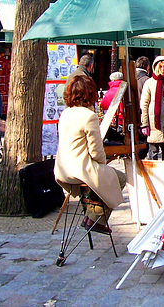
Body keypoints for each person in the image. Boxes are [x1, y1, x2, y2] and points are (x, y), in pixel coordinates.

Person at [55, 75, 126, 234]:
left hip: (62, 168)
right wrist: (102, 164)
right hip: (79, 170)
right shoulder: (88, 116)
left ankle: (91, 216)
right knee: (119, 178)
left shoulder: (66, 113)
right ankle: (96, 218)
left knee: (103, 178)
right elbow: (96, 151)